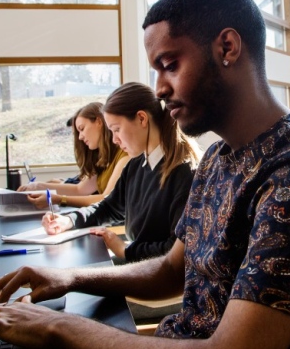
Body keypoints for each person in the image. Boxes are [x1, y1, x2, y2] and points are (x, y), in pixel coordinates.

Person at [0, 0, 290, 348]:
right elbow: (171, 268)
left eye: (170, 65)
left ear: (227, 48)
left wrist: (57, 326)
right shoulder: (217, 160)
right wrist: (71, 278)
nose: (159, 88)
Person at [42, 82, 198, 263]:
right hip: (139, 262)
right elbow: (108, 207)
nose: (115, 140)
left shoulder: (185, 173)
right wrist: (68, 220)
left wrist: (125, 250)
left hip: (158, 274)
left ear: (141, 119)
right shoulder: (136, 165)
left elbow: (175, 249)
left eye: (117, 130)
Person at [17, 102, 130, 210]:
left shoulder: (124, 156)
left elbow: (106, 199)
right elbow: (79, 189)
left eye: (82, 129)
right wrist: (37, 186)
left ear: (99, 122)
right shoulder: (103, 158)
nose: (80, 137)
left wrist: (60, 199)